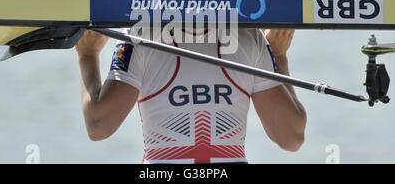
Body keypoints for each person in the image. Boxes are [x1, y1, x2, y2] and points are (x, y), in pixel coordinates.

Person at [76, 27, 306, 164]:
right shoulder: (247, 35)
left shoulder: (140, 34)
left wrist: (87, 54)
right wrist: (278, 55)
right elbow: (291, 137)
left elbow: (99, 125)